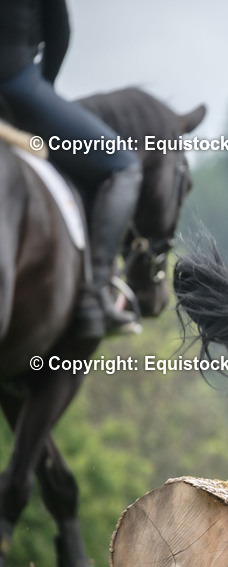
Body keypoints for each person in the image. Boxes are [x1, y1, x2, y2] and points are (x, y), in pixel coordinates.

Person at [0, 0, 142, 339]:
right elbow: (58, 32)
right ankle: (94, 297)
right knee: (123, 165)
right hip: (15, 84)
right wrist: (41, 93)